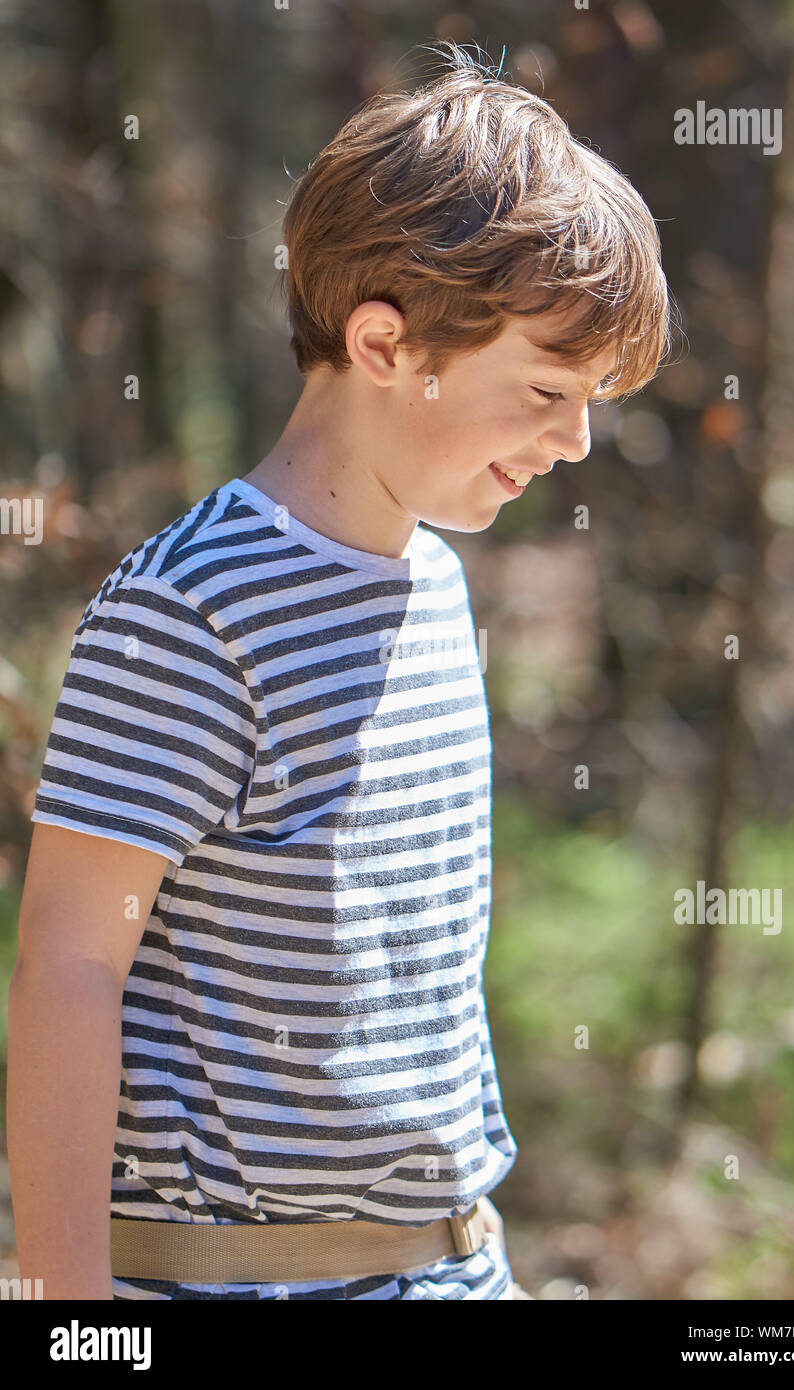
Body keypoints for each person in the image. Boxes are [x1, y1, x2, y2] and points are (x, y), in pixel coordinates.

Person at [7, 42, 670, 1301]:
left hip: (455, 1265)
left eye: (590, 397)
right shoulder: (186, 614)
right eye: (545, 386)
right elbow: (69, 967)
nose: (576, 439)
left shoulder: (435, 586)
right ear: (382, 344)